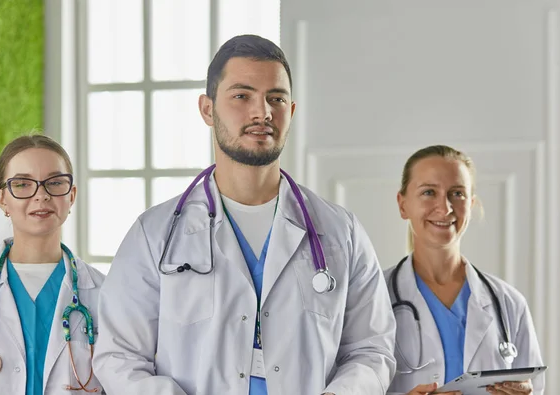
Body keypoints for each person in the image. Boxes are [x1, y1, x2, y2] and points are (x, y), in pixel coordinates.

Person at [93, 34, 396, 395]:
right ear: (208, 109)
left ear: (291, 111)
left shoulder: (340, 231)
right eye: (242, 96)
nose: (262, 112)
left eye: (276, 99)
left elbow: (372, 350)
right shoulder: (154, 234)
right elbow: (119, 357)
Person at [385, 145, 544, 395]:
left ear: (471, 204)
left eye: (457, 194)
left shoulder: (509, 303)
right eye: (428, 192)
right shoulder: (374, 299)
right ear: (402, 204)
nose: (445, 207)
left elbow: (537, 388)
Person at [0, 135, 105, 394]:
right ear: (2, 199)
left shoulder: (105, 294)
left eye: (55, 183)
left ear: (72, 195)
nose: (41, 195)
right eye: (22, 184)